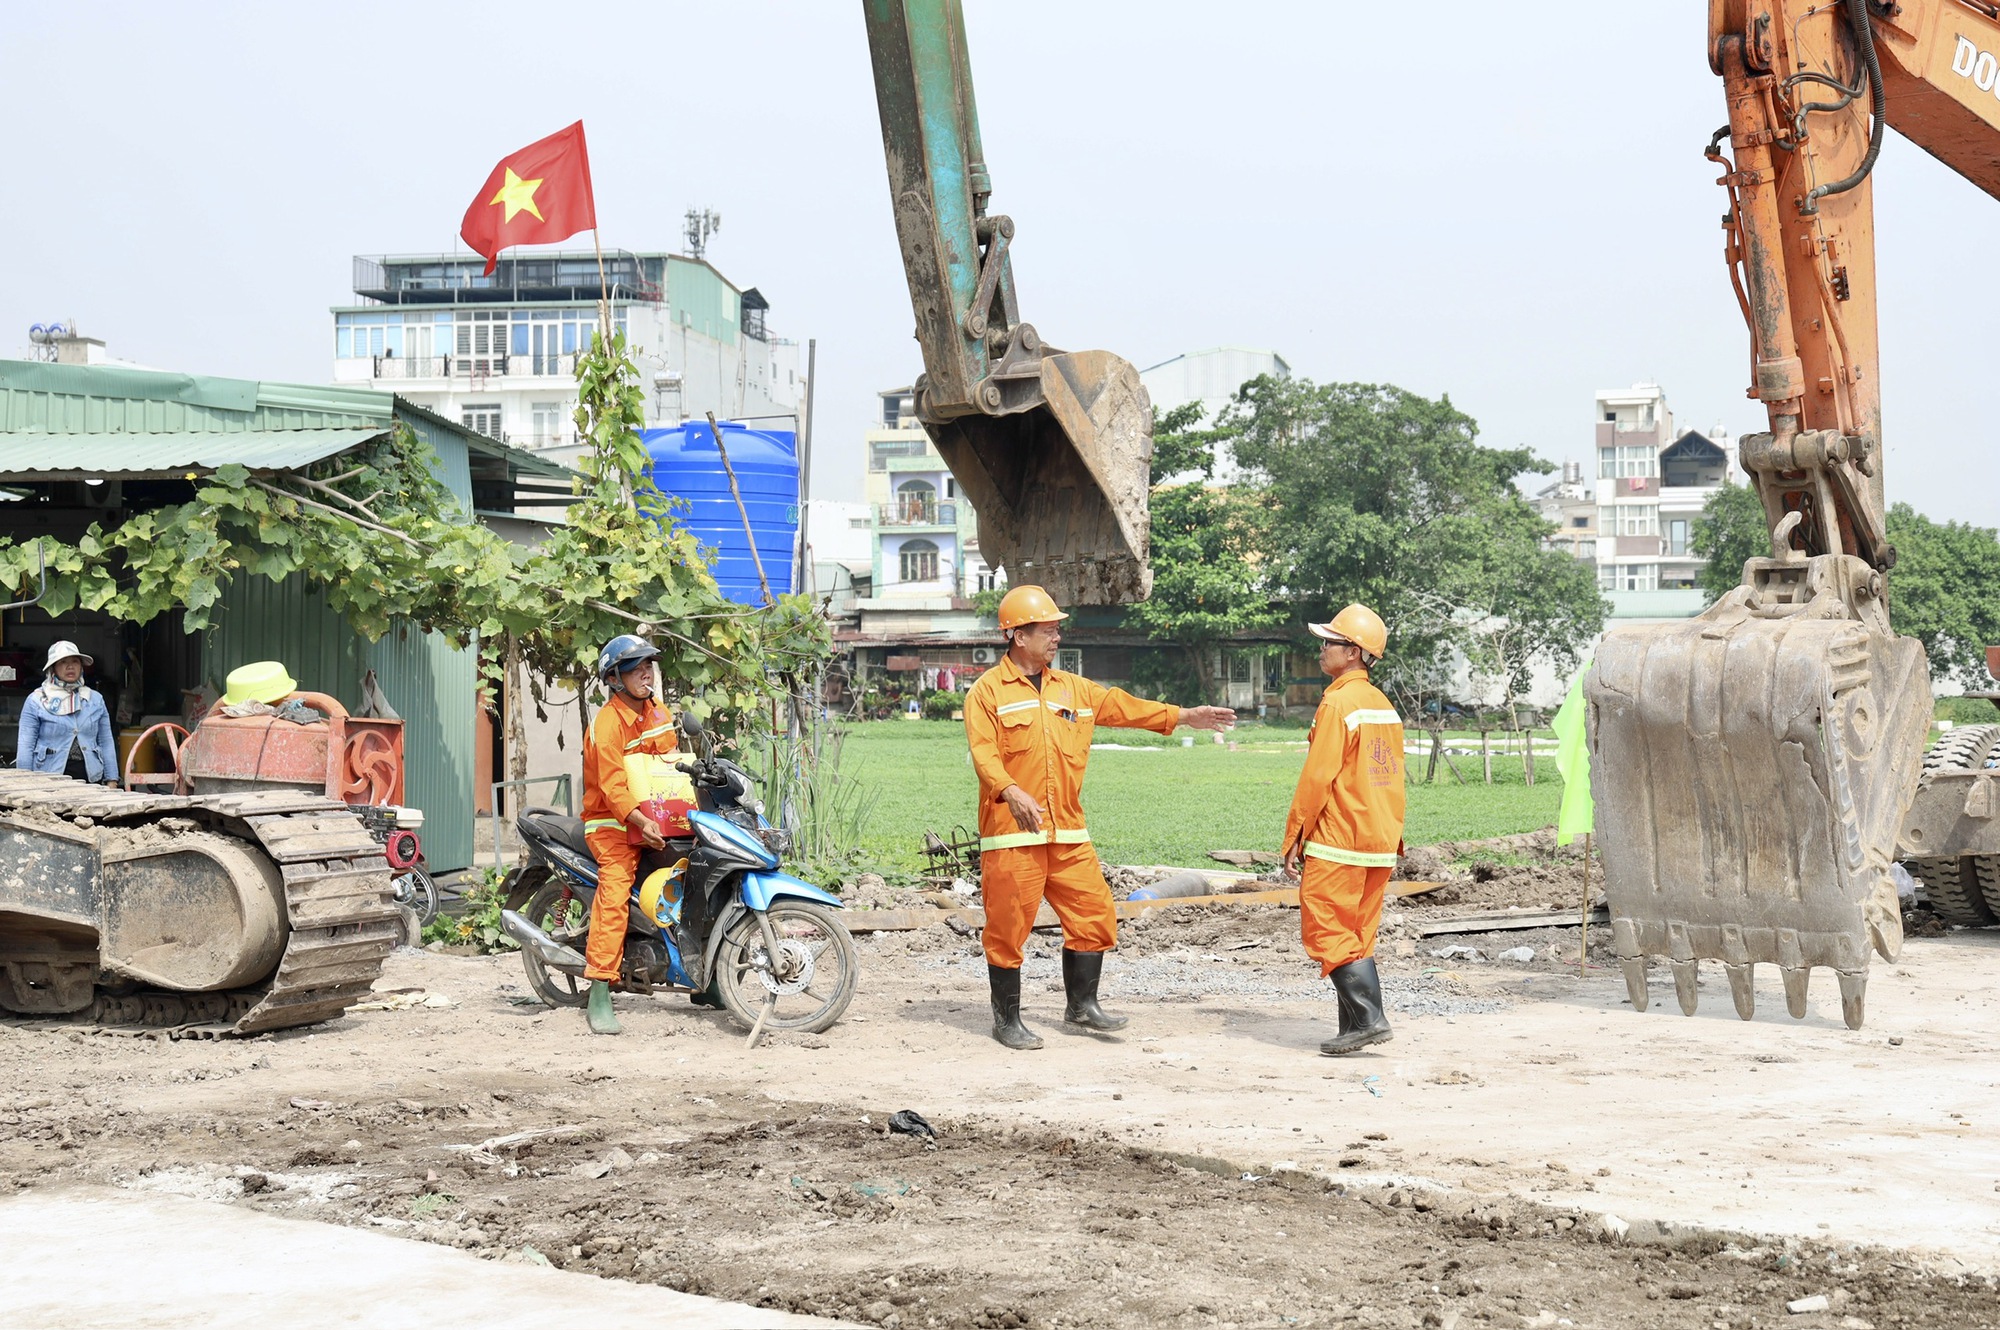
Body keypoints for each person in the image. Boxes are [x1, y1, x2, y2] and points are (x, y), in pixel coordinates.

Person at [964, 585, 1236, 1050]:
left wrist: (1185, 716)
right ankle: (1006, 1020)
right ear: (1016, 635)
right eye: (1047, 629)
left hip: (1066, 830)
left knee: (1094, 915)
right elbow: (984, 754)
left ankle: (1081, 1006)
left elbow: (1126, 707)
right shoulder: (988, 693)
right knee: (1008, 929)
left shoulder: (1073, 689)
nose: (1056, 637)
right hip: (1013, 835)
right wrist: (1010, 790)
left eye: (1056, 629)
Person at [1281, 604, 1406, 1056]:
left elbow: (1319, 777)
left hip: (1340, 842)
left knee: (1326, 931)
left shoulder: (1338, 701)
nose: (1322, 649)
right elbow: (1390, 776)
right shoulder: (1381, 705)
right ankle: (1354, 1027)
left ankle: (1370, 1020)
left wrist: (1295, 834)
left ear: (1353, 652)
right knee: (1356, 938)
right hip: (1378, 843)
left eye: (1330, 642)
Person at [578, 634, 679, 1036]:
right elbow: (613, 787)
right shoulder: (606, 723)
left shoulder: (659, 713)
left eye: (648, 665)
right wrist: (641, 822)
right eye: (636, 667)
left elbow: (671, 762)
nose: (645, 672)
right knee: (615, 893)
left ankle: (708, 982)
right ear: (615, 678)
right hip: (612, 826)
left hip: (655, 821)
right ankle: (600, 990)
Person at [16, 642, 117, 785]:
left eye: (75, 661)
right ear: (53, 668)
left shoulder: (95, 700)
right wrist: (24, 782)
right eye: (63, 662)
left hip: (90, 777)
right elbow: (26, 745)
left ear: (81, 666)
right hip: (48, 778)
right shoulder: (36, 700)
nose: (70, 666)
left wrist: (112, 779)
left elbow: (106, 742)